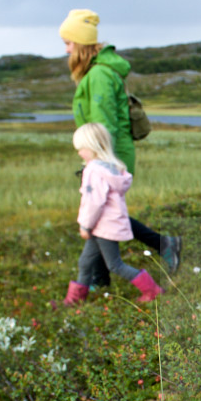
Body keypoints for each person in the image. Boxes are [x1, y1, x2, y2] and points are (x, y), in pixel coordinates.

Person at [58, 9, 181, 295]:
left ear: (82, 44)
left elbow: (104, 125)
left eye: (69, 42)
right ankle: (101, 282)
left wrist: (99, 164)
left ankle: (161, 248)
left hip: (106, 155)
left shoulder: (99, 75)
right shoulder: (96, 72)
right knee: (104, 214)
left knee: (103, 212)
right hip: (105, 154)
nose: (66, 49)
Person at [62, 123, 164, 305]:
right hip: (104, 225)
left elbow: (94, 203)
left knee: (115, 265)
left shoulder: (94, 171)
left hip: (102, 226)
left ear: (92, 147)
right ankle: (74, 300)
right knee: (85, 262)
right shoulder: (109, 167)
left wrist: (85, 226)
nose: (79, 153)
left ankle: (152, 291)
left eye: (81, 149)